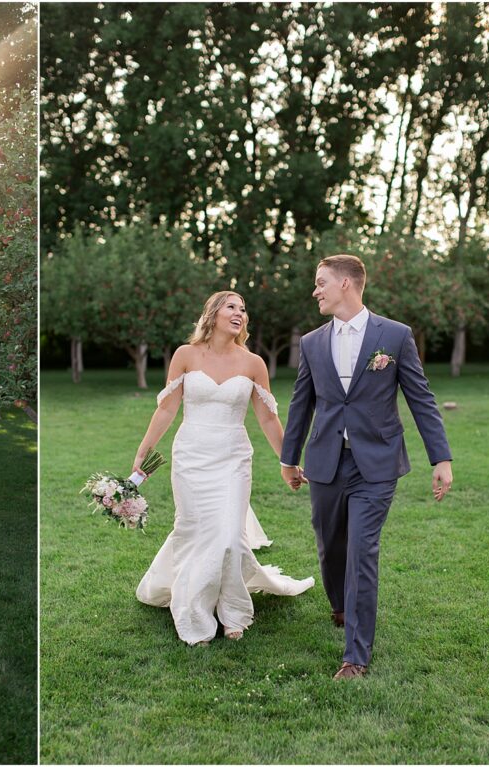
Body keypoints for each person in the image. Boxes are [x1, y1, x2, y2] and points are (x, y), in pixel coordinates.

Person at [280, 255, 452, 680]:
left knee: (361, 552)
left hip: (376, 463)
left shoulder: (393, 336)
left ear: (346, 284)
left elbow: (421, 398)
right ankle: (339, 605)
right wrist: (289, 457)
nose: (315, 290)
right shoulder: (312, 342)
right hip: (325, 462)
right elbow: (302, 403)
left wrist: (441, 457)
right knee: (329, 543)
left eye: (321, 283)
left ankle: (355, 656)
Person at [133, 291, 314, 645]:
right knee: (194, 531)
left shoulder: (253, 363)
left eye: (244, 309)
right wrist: (144, 451)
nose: (239, 313)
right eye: (232, 307)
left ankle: (232, 609)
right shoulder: (185, 355)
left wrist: (288, 461)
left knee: (230, 535)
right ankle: (194, 614)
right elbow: (168, 408)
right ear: (213, 314)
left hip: (232, 457)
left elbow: (267, 417)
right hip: (191, 456)